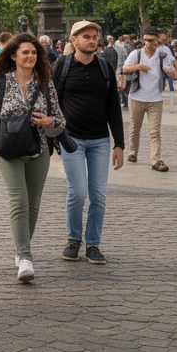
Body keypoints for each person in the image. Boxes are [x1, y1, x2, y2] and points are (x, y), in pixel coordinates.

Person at [0, 33, 65, 283]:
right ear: (13, 55)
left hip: (39, 148)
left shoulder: (45, 82)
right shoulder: (1, 82)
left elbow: (60, 120)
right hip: (8, 150)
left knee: (33, 204)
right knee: (19, 201)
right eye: (25, 52)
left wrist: (49, 121)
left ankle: (21, 249)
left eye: (34, 52)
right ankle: (25, 257)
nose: (30, 56)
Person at [52, 21, 124, 266]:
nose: (92, 41)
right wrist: (54, 135)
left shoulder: (104, 67)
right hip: (71, 139)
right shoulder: (62, 66)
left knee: (98, 195)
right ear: (74, 40)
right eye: (86, 37)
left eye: (95, 37)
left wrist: (119, 144)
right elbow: (52, 101)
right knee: (78, 192)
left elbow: (113, 107)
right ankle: (73, 240)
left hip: (100, 141)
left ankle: (93, 244)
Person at [122, 28, 177, 172]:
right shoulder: (136, 54)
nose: (148, 44)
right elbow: (125, 69)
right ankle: (133, 152)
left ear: (157, 40)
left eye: (151, 41)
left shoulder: (163, 55)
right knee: (134, 129)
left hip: (155, 99)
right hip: (137, 97)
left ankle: (155, 161)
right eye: (146, 40)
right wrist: (138, 66)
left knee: (155, 132)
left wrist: (166, 70)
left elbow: (174, 75)